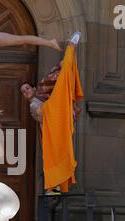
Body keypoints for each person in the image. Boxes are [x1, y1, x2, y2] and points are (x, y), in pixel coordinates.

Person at [20, 32, 84, 194]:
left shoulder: (42, 88)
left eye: (27, 88)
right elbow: (42, 114)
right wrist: (56, 102)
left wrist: (68, 58)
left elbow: (58, 77)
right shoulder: (33, 105)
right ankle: (54, 189)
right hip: (49, 133)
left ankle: (71, 47)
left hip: (59, 125)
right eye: (23, 92)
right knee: (53, 158)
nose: (26, 91)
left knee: (63, 152)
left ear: (33, 88)